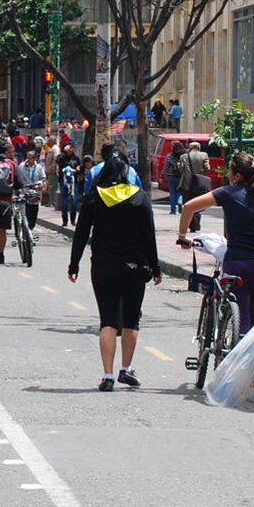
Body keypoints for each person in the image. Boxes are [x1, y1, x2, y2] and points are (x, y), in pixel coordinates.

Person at [67, 154, 161, 391]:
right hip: (135, 268)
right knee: (131, 320)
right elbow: (149, 236)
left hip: (103, 267)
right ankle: (125, 369)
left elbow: (80, 234)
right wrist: (156, 267)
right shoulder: (139, 198)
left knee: (107, 320)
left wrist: (74, 265)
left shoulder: (93, 198)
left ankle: (108, 375)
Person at [177, 151, 254, 335]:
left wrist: (182, 235)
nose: (227, 174)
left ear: (237, 176)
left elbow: (188, 207)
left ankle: (236, 353)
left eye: (230, 170)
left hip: (236, 263)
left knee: (240, 315)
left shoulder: (227, 193)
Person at [16, 149, 46, 229]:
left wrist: (38, 185)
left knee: (34, 213)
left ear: (34, 158)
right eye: (28, 157)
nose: (29, 159)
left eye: (31, 158)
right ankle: (25, 229)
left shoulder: (39, 167)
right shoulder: (21, 166)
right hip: (25, 192)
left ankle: (30, 229)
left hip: (35, 193)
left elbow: (43, 178)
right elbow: (18, 178)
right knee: (26, 211)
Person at [58, 145, 81, 226]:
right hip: (63, 182)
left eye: (71, 148)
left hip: (73, 182)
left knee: (73, 201)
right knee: (64, 202)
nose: (70, 150)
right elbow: (57, 161)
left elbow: (79, 168)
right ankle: (65, 221)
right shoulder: (62, 157)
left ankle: (73, 220)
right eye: (68, 148)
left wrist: (75, 171)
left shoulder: (76, 158)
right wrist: (63, 152)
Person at [163, 143, 186, 215]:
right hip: (180, 176)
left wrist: (162, 175)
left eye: (171, 146)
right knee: (180, 192)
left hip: (171, 176)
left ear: (174, 147)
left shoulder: (169, 156)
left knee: (172, 193)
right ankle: (180, 202)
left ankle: (173, 210)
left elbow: (166, 167)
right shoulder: (183, 156)